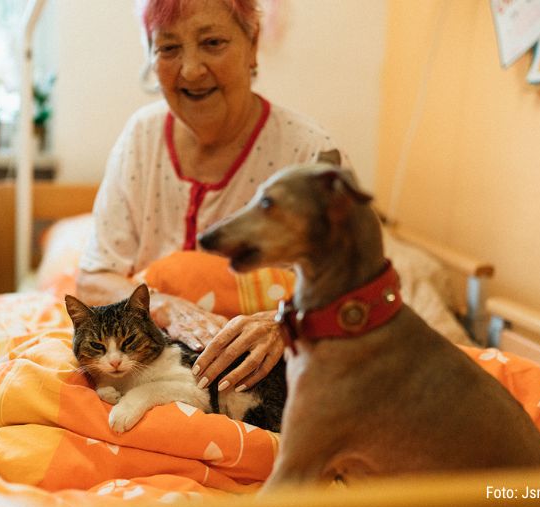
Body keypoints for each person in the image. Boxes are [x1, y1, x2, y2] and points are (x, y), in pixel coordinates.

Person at [77, 0, 344, 394]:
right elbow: (94, 278)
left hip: (265, 387)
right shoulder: (142, 137)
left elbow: (358, 294)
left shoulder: (309, 153)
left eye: (213, 42)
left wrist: (281, 323)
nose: (190, 70)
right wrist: (167, 307)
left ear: (252, 44)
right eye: (168, 48)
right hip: (146, 377)